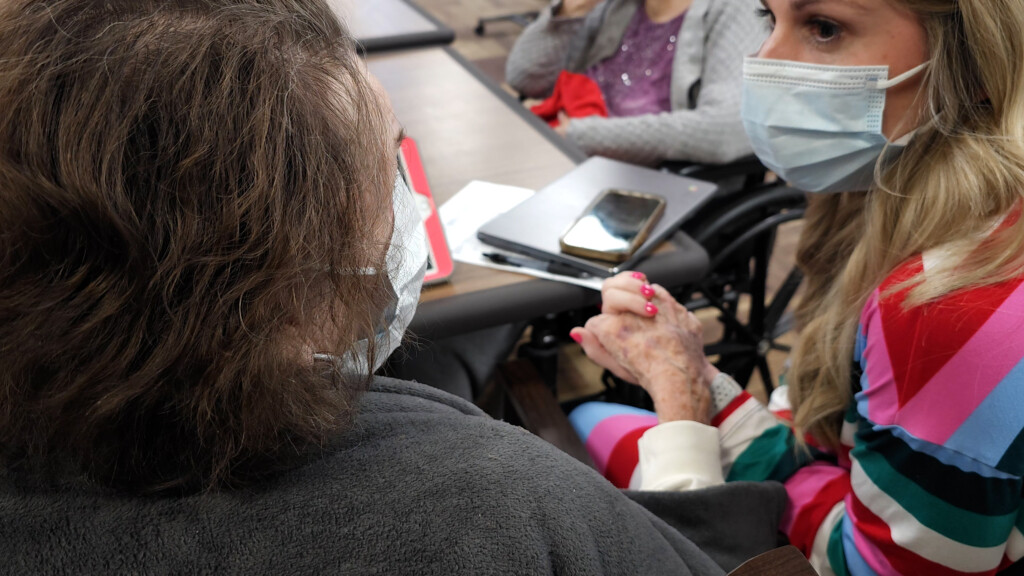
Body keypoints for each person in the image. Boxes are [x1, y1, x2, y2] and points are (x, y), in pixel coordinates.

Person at [0, 0, 789, 573]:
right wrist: (684, 412)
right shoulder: (498, 503)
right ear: (294, 276)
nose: (415, 206)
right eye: (394, 167)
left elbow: (723, 127)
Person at [568, 0, 1024, 574]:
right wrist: (692, 373)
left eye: (825, 28)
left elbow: (868, 568)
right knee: (592, 422)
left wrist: (683, 398)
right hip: (842, 468)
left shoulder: (946, 301)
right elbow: (818, 419)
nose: (764, 60)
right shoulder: (875, 186)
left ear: (973, 63)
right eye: (768, 18)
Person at [505, 0, 764, 166]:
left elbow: (725, 131)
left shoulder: (736, 7)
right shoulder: (618, 6)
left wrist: (581, 135)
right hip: (574, 163)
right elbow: (526, 78)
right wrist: (572, 9)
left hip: (650, 187)